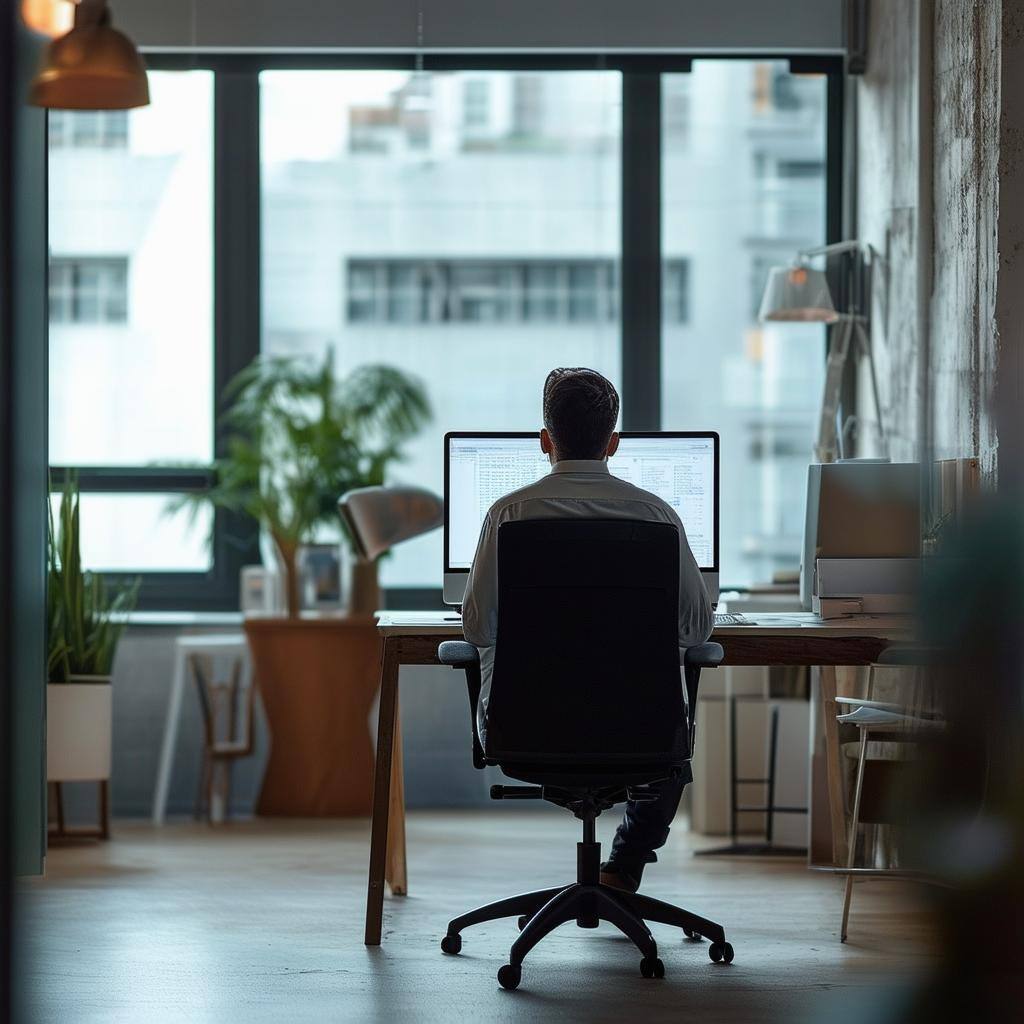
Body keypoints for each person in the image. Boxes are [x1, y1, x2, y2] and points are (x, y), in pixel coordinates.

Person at [462, 366, 713, 893]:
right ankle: (624, 868)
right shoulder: (659, 516)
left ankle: (618, 871)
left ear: (544, 440)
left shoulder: (508, 515)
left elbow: (478, 628)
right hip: (640, 733)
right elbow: (694, 631)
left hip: (524, 731)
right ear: (614, 443)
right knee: (671, 732)